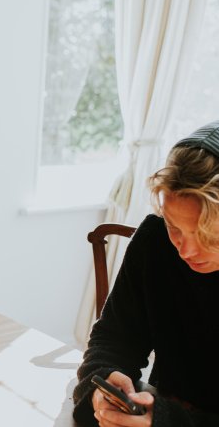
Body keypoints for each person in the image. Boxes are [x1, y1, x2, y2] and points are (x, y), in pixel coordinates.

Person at [73, 120, 219, 426]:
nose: (187, 250)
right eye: (174, 227)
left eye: (210, 236)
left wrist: (167, 421)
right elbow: (113, 340)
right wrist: (104, 382)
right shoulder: (154, 241)